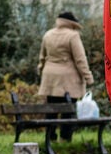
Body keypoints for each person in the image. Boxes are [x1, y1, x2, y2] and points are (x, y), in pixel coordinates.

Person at [38, 11, 94, 143]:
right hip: (68, 79)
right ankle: (65, 138)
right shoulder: (73, 36)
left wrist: (41, 73)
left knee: (51, 109)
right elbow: (80, 60)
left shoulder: (48, 34)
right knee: (68, 110)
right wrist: (88, 77)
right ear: (72, 23)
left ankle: (50, 137)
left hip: (49, 77)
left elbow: (42, 58)